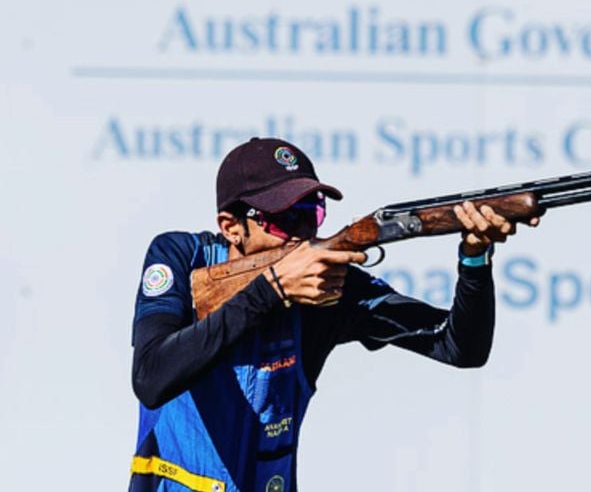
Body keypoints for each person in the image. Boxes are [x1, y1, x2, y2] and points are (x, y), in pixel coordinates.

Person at [129, 137, 541, 492]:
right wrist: (270, 290)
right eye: (282, 218)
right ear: (231, 225)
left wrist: (474, 257)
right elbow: (151, 377)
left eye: (311, 213)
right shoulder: (183, 257)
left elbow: (459, 347)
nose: (301, 232)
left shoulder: (331, 289)